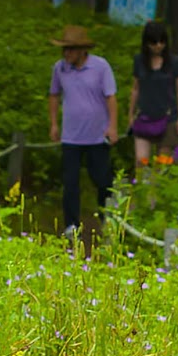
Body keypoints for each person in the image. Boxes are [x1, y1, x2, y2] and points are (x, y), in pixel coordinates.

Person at [46, 24, 118, 237]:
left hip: (97, 135)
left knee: (103, 180)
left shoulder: (100, 67)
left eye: (71, 49)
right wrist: (53, 123)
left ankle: (107, 219)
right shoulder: (59, 68)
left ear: (82, 50)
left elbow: (111, 97)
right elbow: (53, 95)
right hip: (71, 136)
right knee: (70, 182)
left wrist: (112, 126)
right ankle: (71, 225)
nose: (67, 53)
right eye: (64, 49)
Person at [126, 20, 178, 163]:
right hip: (145, 116)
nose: (158, 46)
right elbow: (135, 89)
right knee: (141, 160)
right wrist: (131, 114)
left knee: (162, 163)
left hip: (168, 117)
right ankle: (142, 184)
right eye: (154, 42)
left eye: (162, 41)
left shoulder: (174, 62)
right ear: (146, 43)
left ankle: (157, 185)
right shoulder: (139, 61)